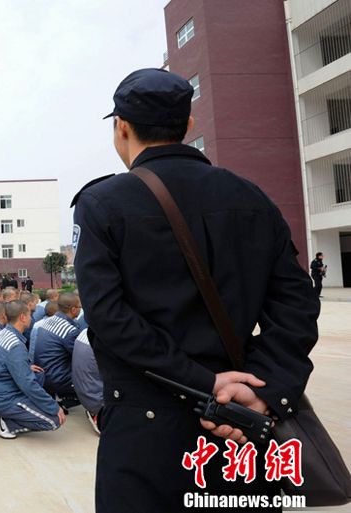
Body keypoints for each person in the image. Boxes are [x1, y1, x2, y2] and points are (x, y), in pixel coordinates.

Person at [72, 68, 319, 511]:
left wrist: (203, 382)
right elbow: (297, 303)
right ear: (187, 126)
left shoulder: (103, 204)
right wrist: (264, 390)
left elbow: (110, 320)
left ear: (121, 127)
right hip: (240, 423)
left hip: (147, 428)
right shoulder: (252, 198)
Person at [0, 301, 65, 439]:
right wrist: (53, 407)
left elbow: (1, 361)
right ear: (22, 317)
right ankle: (7, 423)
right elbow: (27, 384)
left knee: (38, 374)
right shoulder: (15, 345)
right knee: (54, 421)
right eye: (29, 314)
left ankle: (7, 414)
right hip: (3, 397)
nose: (31, 317)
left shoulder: (3, 333)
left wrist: (24, 365)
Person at [29, 292, 82, 409]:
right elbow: (81, 357)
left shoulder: (47, 321)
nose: (80, 309)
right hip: (57, 379)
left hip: (43, 374)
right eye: (80, 307)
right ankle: (94, 408)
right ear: (73, 310)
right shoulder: (69, 330)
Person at [71, 328, 102, 435]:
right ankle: (98, 416)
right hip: (97, 400)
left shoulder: (84, 331)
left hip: (81, 390)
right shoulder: (107, 337)